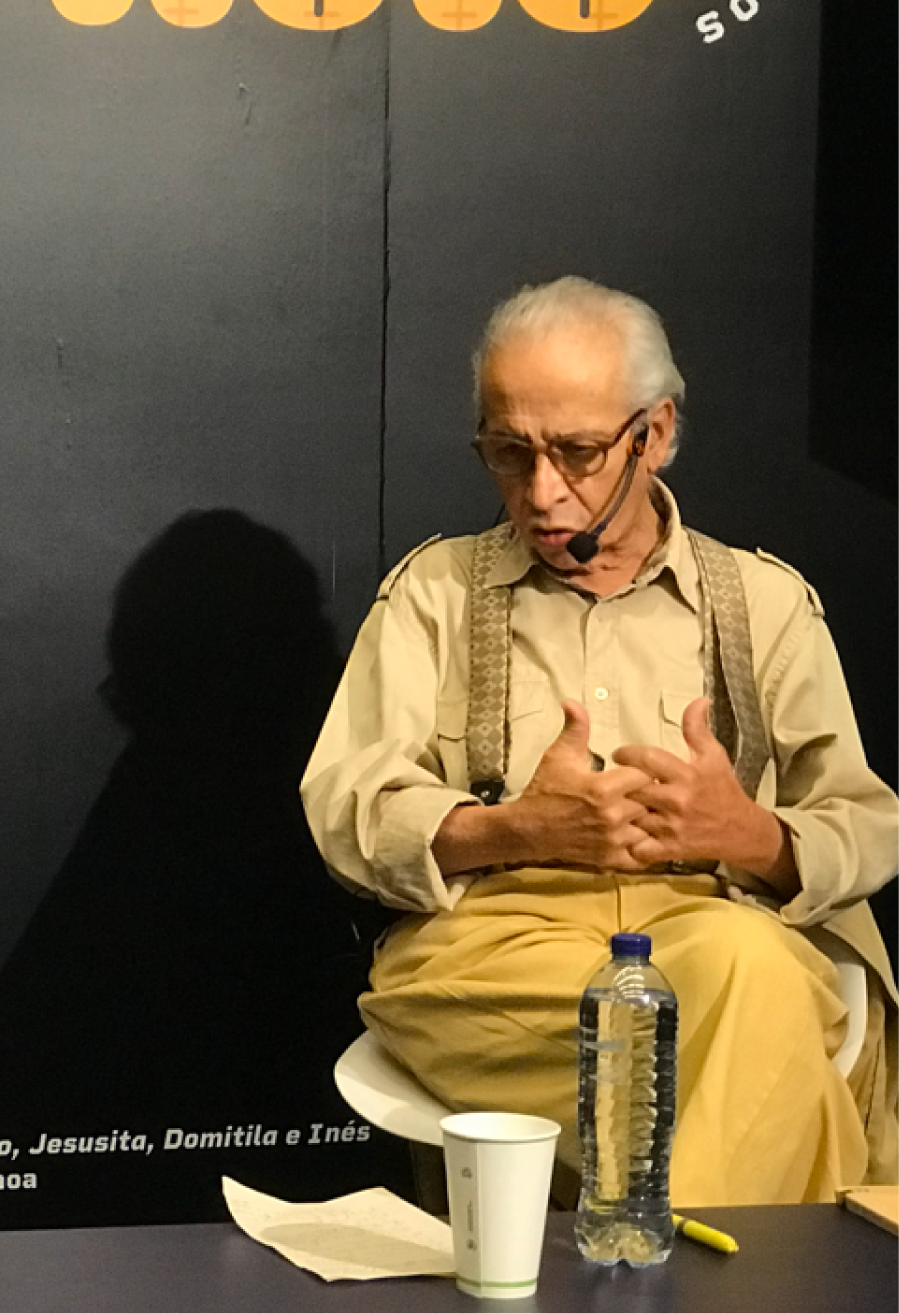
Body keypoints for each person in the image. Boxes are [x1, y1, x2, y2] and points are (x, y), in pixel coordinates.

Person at [301, 276, 899, 1204]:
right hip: (499, 963)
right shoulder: (434, 594)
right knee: (758, 1035)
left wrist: (748, 836)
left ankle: (641, 1264)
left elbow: (865, 825)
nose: (541, 493)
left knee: (744, 980)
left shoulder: (765, 603)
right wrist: (517, 830)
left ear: (653, 434)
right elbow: (348, 811)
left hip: (718, 935)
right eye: (510, 453)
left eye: (577, 453)